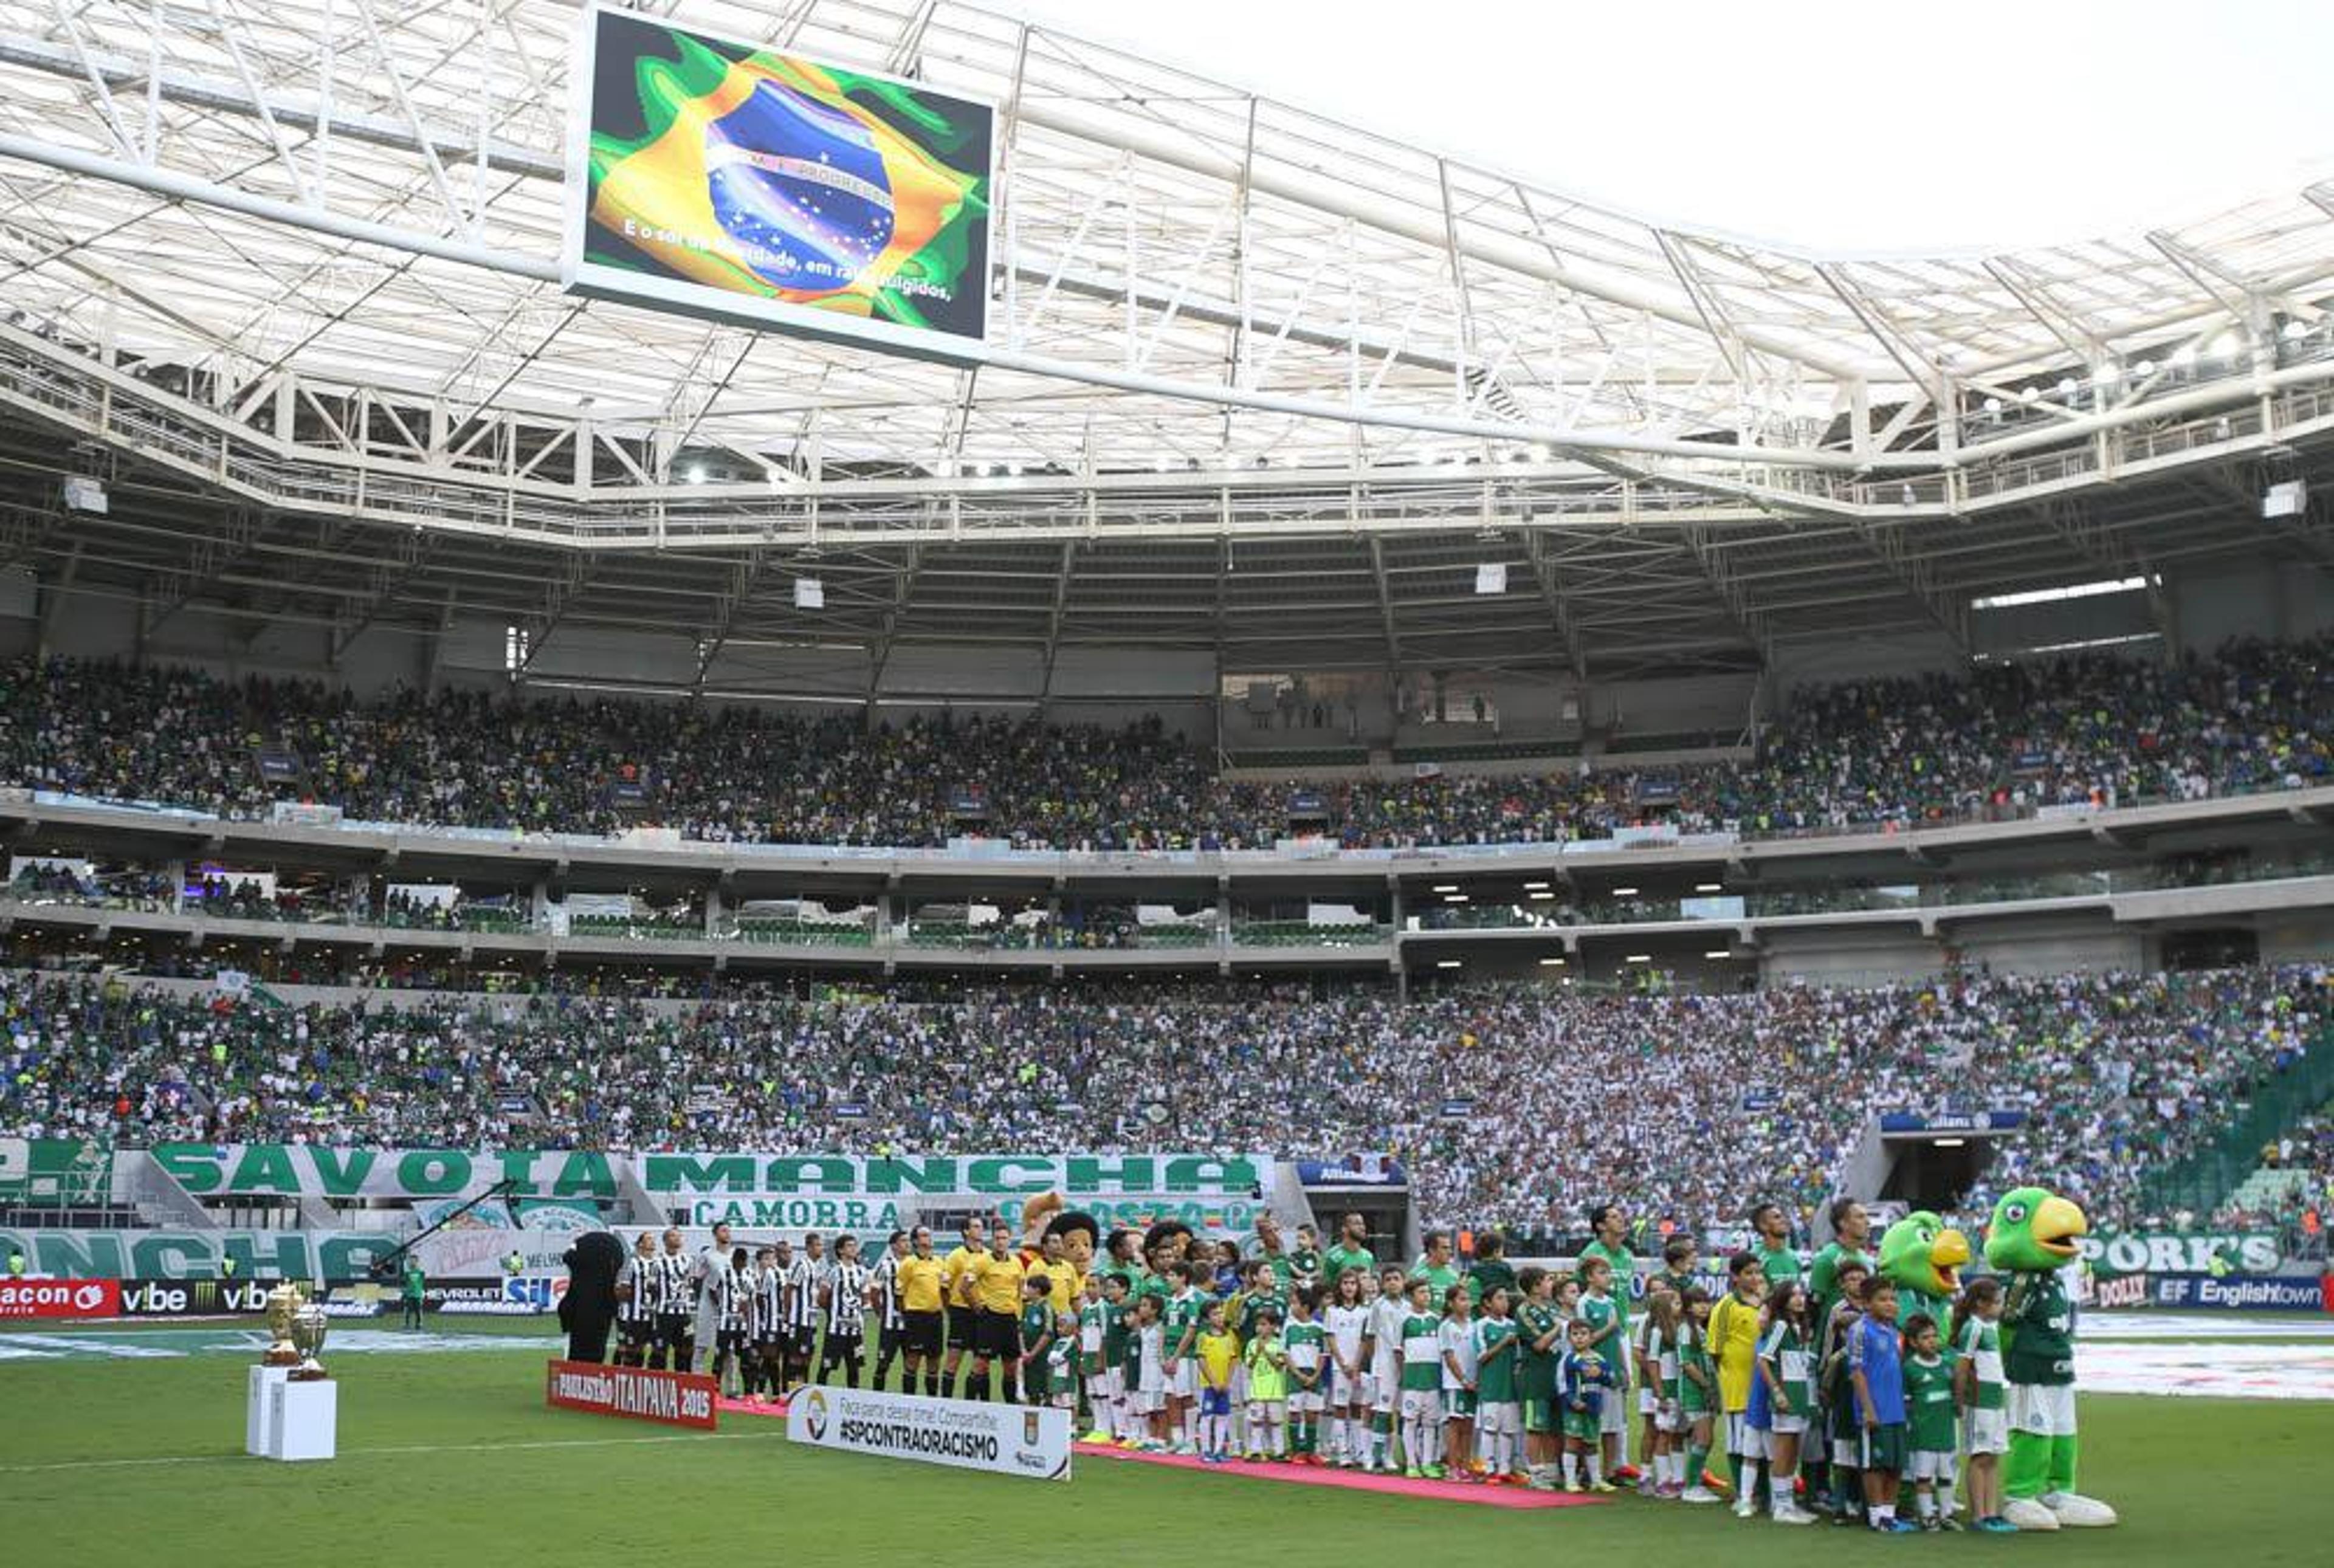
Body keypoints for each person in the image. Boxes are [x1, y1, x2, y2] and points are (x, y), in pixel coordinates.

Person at [1849, 1276, 1915, 1533]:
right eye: (1883, 1300)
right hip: (1874, 1411)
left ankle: (1890, 1514)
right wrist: (1868, 1409)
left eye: (1893, 1299)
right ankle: (1877, 1516)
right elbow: (1857, 1372)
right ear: (1867, 1303)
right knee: (1874, 1465)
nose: (1890, 1305)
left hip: (1896, 1409)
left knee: (1895, 1464)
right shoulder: (1861, 1330)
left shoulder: (1895, 1332)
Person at [1578, 1203, 1637, 1481]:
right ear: (1601, 1226)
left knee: (1621, 1394)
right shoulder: (1591, 1255)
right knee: (1592, 1395)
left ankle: (1618, 1463)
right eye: (1613, 1216)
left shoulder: (1626, 1255)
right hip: (1596, 1335)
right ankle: (1589, 1466)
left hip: (1620, 1331)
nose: (1621, 1219)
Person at [1953, 1277, 2016, 1533]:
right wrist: (1960, 1399)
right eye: (1998, 1303)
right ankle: (1979, 1515)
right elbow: (1962, 1367)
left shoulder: (1990, 1327)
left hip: (1994, 1401)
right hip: (1978, 1403)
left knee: (1993, 1457)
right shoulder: (1974, 1327)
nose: (2001, 1308)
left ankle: (1992, 1512)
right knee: (1980, 1457)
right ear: (1980, 1303)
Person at [1754, 1279, 1819, 1524]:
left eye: (1802, 1294)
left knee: (1793, 1453)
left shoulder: (1799, 1326)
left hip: (1802, 1396)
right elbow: (1763, 1360)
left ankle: (1788, 1503)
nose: (1800, 1299)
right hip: (1788, 1396)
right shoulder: (1780, 1325)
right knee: (1783, 1452)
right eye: (1793, 1295)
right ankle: (1780, 1506)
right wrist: (1777, 1392)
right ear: (1783, 1299)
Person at [1707, 1249, 1768, 1507]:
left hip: (1763, 1382)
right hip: (1737, 1384)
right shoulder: (1725, 1306)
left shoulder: (1765, 1305)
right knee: (1738, 1442)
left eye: (1757, 1272)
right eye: (1748, 1273)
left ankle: (1765, 1491)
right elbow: (1715, 1349)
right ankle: (1744, 1493)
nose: (1754, 1278)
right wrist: (1728, 1374)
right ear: (1735, 1277)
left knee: (1765, 1440)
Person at [1902, 1312, 1960, 1531]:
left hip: (1945, 1432)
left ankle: (1946, 1514)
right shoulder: (1910, 1368)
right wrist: (1913, 1424)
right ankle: (1927, 1516)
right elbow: (1906, 1402)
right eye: (1926, 1337)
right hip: (1922, 1435)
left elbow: (1955, 1395)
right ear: (1914, 1342)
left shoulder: (1947, 1365)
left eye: (1934, 1336)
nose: (1932, 1341)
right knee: (1924, 1477)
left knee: (1946, 1476)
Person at [1575, 1253, 1628, 1488]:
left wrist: (1624, 1367)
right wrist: (1608, 1327)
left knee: (1613, 1425)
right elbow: (1583, 1339)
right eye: (1602, 1273)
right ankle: (1589, 1471)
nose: (1607, 1277)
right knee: (1593, 1422)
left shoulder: (1611, 1303)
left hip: (1611, 1369)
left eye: (1608, 1273)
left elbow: (1616, 1339)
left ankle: (1610, 1471)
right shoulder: (1584, 1303)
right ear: (1589, 1277)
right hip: (1592, 1369)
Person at [966, 1223, 1029, 1403]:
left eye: (1004, 1238)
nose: (1000, 1242)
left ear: (1010, 1240)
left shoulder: (1016, 1263)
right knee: (981, 1365)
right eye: (997, 1238)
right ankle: (968, 1405)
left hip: (1010, 1319)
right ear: (992, 1240)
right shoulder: (982, 1261)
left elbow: (1020, 1291)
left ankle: (1009, 1408)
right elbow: (965, 1287)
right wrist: (978, 1307)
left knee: (1010, 1367)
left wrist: (1018, 1314)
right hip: (990, 1318)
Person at [1516, 1265, 1565, 1489]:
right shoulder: (1525, 1311)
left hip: (1557, 1377)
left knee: (1554, 1428)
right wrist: (1559, 1328)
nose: (1551, 1285)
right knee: (1536, 1427)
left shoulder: (1553, 1309)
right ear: (1536, 1286)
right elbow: (1539, 1344)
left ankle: (1553, 1472)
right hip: (1536, 1377)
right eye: (1547, 1280)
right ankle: (1536, 1474)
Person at [1557, 1318, 1618, 1493]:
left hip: (1593, 1408)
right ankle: (1570, 1480)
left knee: (1592, 1443)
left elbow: (1612, 1380)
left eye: (1584, 1334)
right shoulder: (1568, 1359)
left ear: (1592, 1337)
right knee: (1573, 1442)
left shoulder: (1599, 1359)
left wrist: (1602, 1375)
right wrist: (1572, 1400)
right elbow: (1561, 1384)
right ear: (1569, 1338)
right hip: (1573, 1409)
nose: (1579, 1338)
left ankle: (1596, 1480)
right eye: (1575, 1334)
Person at [1675, 1286, 1723, 1504]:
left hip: (1706, 1389)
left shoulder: (1702, 1329)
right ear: (1688, 1306)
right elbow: (1686, 1363)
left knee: (1703, 1439)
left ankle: (1696, 1482)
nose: (1705, 1306)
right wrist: (1706, 1386)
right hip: (1695, 1391)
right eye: (1698, 1302)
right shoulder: (1686, 1329)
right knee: (1704, 1438)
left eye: (1707, 1301)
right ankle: (1692, 1486)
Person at [1396, 1274, 1445, 1479]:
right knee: (1410, 1422)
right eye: (1422, 1292)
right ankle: (1411, 1463)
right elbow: (1398, 1352)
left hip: (1432, 1379)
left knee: (1430, 1423)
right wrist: (1405, 1375)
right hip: (1412, 1380)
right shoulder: (1404, 1320)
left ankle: (1427, 1463)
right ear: (1411, 1296)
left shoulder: (1437, 1321)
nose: (1427, 1296)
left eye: (1428, 1292)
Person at [1473, 1285, 1523, 1484]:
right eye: (1500, 1298)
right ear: (1487, 1303)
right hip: (1491, 1387)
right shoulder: (1482, 1326)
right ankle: (1487, 1468)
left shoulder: (1513, 1326)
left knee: (1508, 1430)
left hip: (1510, 1387)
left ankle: (1504, 1468)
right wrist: (1503, 1343)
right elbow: (1481, 1357)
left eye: (1506, 1298)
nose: (1505, 1302)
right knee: (1490, 1429)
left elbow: (1519, 1359)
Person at [1324, 1267, 1371, 1467]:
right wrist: (1343, 1363)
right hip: (1340, 1367)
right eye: (1345, 1283)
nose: (1349, 1287)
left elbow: (1364, 1340)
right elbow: (1331, 1339)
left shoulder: (1365, 1312)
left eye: (1353, 1283)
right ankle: (1342, 1451)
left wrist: (1357, 1364)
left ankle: (1358, 1449)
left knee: (1357, 1408)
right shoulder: (1333, 1311)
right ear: (1339, 1286)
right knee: (1340, 1408)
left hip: (1358, 1366)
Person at [894, 1226, 946, 1397]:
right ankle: (910, 1401)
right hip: (916, 1317)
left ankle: (932, 1401)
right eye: (924, 1235)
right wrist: (908, 1315)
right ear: (916, 1241)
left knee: (934, 1361)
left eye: (929, 1235)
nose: (928, 1239)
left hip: (936, 1317)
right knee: (913, 1359)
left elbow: (944, 1290)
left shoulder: (940, 1262)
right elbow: (899, 1294)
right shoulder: (908, 1264)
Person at [1369, 1264, 1411, 1471]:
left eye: (1397, 1278)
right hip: (1384, 1365)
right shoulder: (1378, 1306)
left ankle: (1395, 1456)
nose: (1393, 1283)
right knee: (1383, 1412)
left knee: (1403, 1412)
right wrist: (1373, 1363)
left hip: (1405, 1365)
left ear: (1403, 1282)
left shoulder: (1408, 1307)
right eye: (1389, 1279)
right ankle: (1377, 1457)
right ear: (1383, 1284)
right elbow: (1370, 1336)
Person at [816, 1234, 870, 1388]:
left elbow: (866, 1298)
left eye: (855, 1245)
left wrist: (857, 1315)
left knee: (854, 1367)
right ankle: (819, 1398)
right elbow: (822, 1298)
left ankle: (853, 1400)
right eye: (849, 1246)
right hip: (836, 1330)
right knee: (826, 1366)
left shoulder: (862, 1272)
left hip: (855, 1330)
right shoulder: (833, 1272)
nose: (854, 1249)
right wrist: (834, 1314)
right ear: (840, 1250)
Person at [1438, 1283, 1479, 1479]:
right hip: (1456, 1384)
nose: (1467, 1303)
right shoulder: (1447, 1326)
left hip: (1474, 1382)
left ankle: (1465, 1464)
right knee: (1456, 1423)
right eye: (1462, 1299)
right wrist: (1463, 1379)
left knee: (1469, 1425)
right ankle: (1453, 1467)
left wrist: (1476, 1379)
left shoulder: (1475, 1325)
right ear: (1451, 1303)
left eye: (1468, 1299)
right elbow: (1450, 1357)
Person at [1283, 1287, 1327, 1464]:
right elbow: (1285, 1354)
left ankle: (1311, 1451)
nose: (1291, 1307)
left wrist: (1315, 1375)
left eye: (1294, 1303)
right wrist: (1298, 1374)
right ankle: (1295, 1451)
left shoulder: (1319, 1328)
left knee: (1312, 1414)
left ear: (1306, 1307)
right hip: (1296, 1375)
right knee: (1294, 1413)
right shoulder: (1289, 1327)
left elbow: (1323, 1355)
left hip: (1313, 1376)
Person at [1194, 1300, 1240, 1463]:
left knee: (1223, 1416)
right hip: (1208, 1385)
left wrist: (1227, 1381)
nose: (1220, 1316)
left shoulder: (1229, 1337)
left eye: (1221, 1312)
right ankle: (1206, 1450)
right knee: (1207, 1416)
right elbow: (1202, 1360)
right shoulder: (1203, 1337)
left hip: (1224, 1385)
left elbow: (1234, 1359)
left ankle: (1219, 1450)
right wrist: (1213, 1381)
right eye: (1215, 1314)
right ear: (1207, 1319)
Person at [1244, 1308, 1290, 1462]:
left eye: (1264, 1324)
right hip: (1258, 1390)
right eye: (1258, 1325)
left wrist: (1266, 1351)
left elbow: (1279, 1365)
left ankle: (1279, 1451)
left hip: (1274, 1390)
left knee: (1276, 1421)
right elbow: (1249, 1365)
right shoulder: (1251, 1343)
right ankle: (1256, 1450)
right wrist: (1258, 1352)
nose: (1260, 1328)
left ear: (1272, 1327)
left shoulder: (1278, 1344)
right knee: (1256, 1421)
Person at [689, 1221, 734, 1375]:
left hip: (729, 1309)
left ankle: (731, 1388)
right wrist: (700, 1299)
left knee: (729, 1349)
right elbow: (697, 1279)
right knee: (702, 1345)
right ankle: (697, 1381)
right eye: (723, 1231)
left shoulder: (735, 1255)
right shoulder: (707, 1255)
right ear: (715, 1235)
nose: (727, 1233)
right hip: (708, 1306)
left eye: (728, 1230)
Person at [613, 1231, 655, 1367]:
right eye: (649, 1239)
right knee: (624, 1348)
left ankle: (637, 1376)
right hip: (629, 1314)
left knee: (641, 1347)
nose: (652, 1242)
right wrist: (628, 1303)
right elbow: (621, 1288)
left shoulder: (658, 1263)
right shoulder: (632, 1264)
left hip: (649, 1314)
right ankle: (615, 1374)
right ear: (640, 1244)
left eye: (653, 1239)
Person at [1017, 1272, 1056, 1408]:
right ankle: (1032, 1420)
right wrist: (1024, 1351)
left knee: (1046, 1389)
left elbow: (1048, 1333)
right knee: (1031, 1389)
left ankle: (1049, 1418)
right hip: (1028, 1356)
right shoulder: (1027, 1307)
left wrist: (1033, 1353)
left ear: (1037, 1290)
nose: (1026, 1290)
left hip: (1042, 1356)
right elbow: (1021, 1330)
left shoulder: (1046, 1308)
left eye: (1028, 1287)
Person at [1321, 1211, 1377, 1293]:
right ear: (1345, 1229)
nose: (1362, 1228)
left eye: (1363, 1224)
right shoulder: (1332, 1256)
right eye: (1357, 1224)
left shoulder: (1369, 1256)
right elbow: (1326, 1286)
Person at [400, 1254, 425, 1331]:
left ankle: (419, 1324)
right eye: (411, 1261)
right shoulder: (408, 1273)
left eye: (414, 1261)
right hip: (409, 1294)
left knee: (418, 1311)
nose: (412, 1262)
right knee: (408, 1310)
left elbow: (422, 1278)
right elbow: (404, 1279)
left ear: (417, 1262)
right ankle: (406, 1324)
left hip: (418, 1295)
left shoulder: (421, 1272)